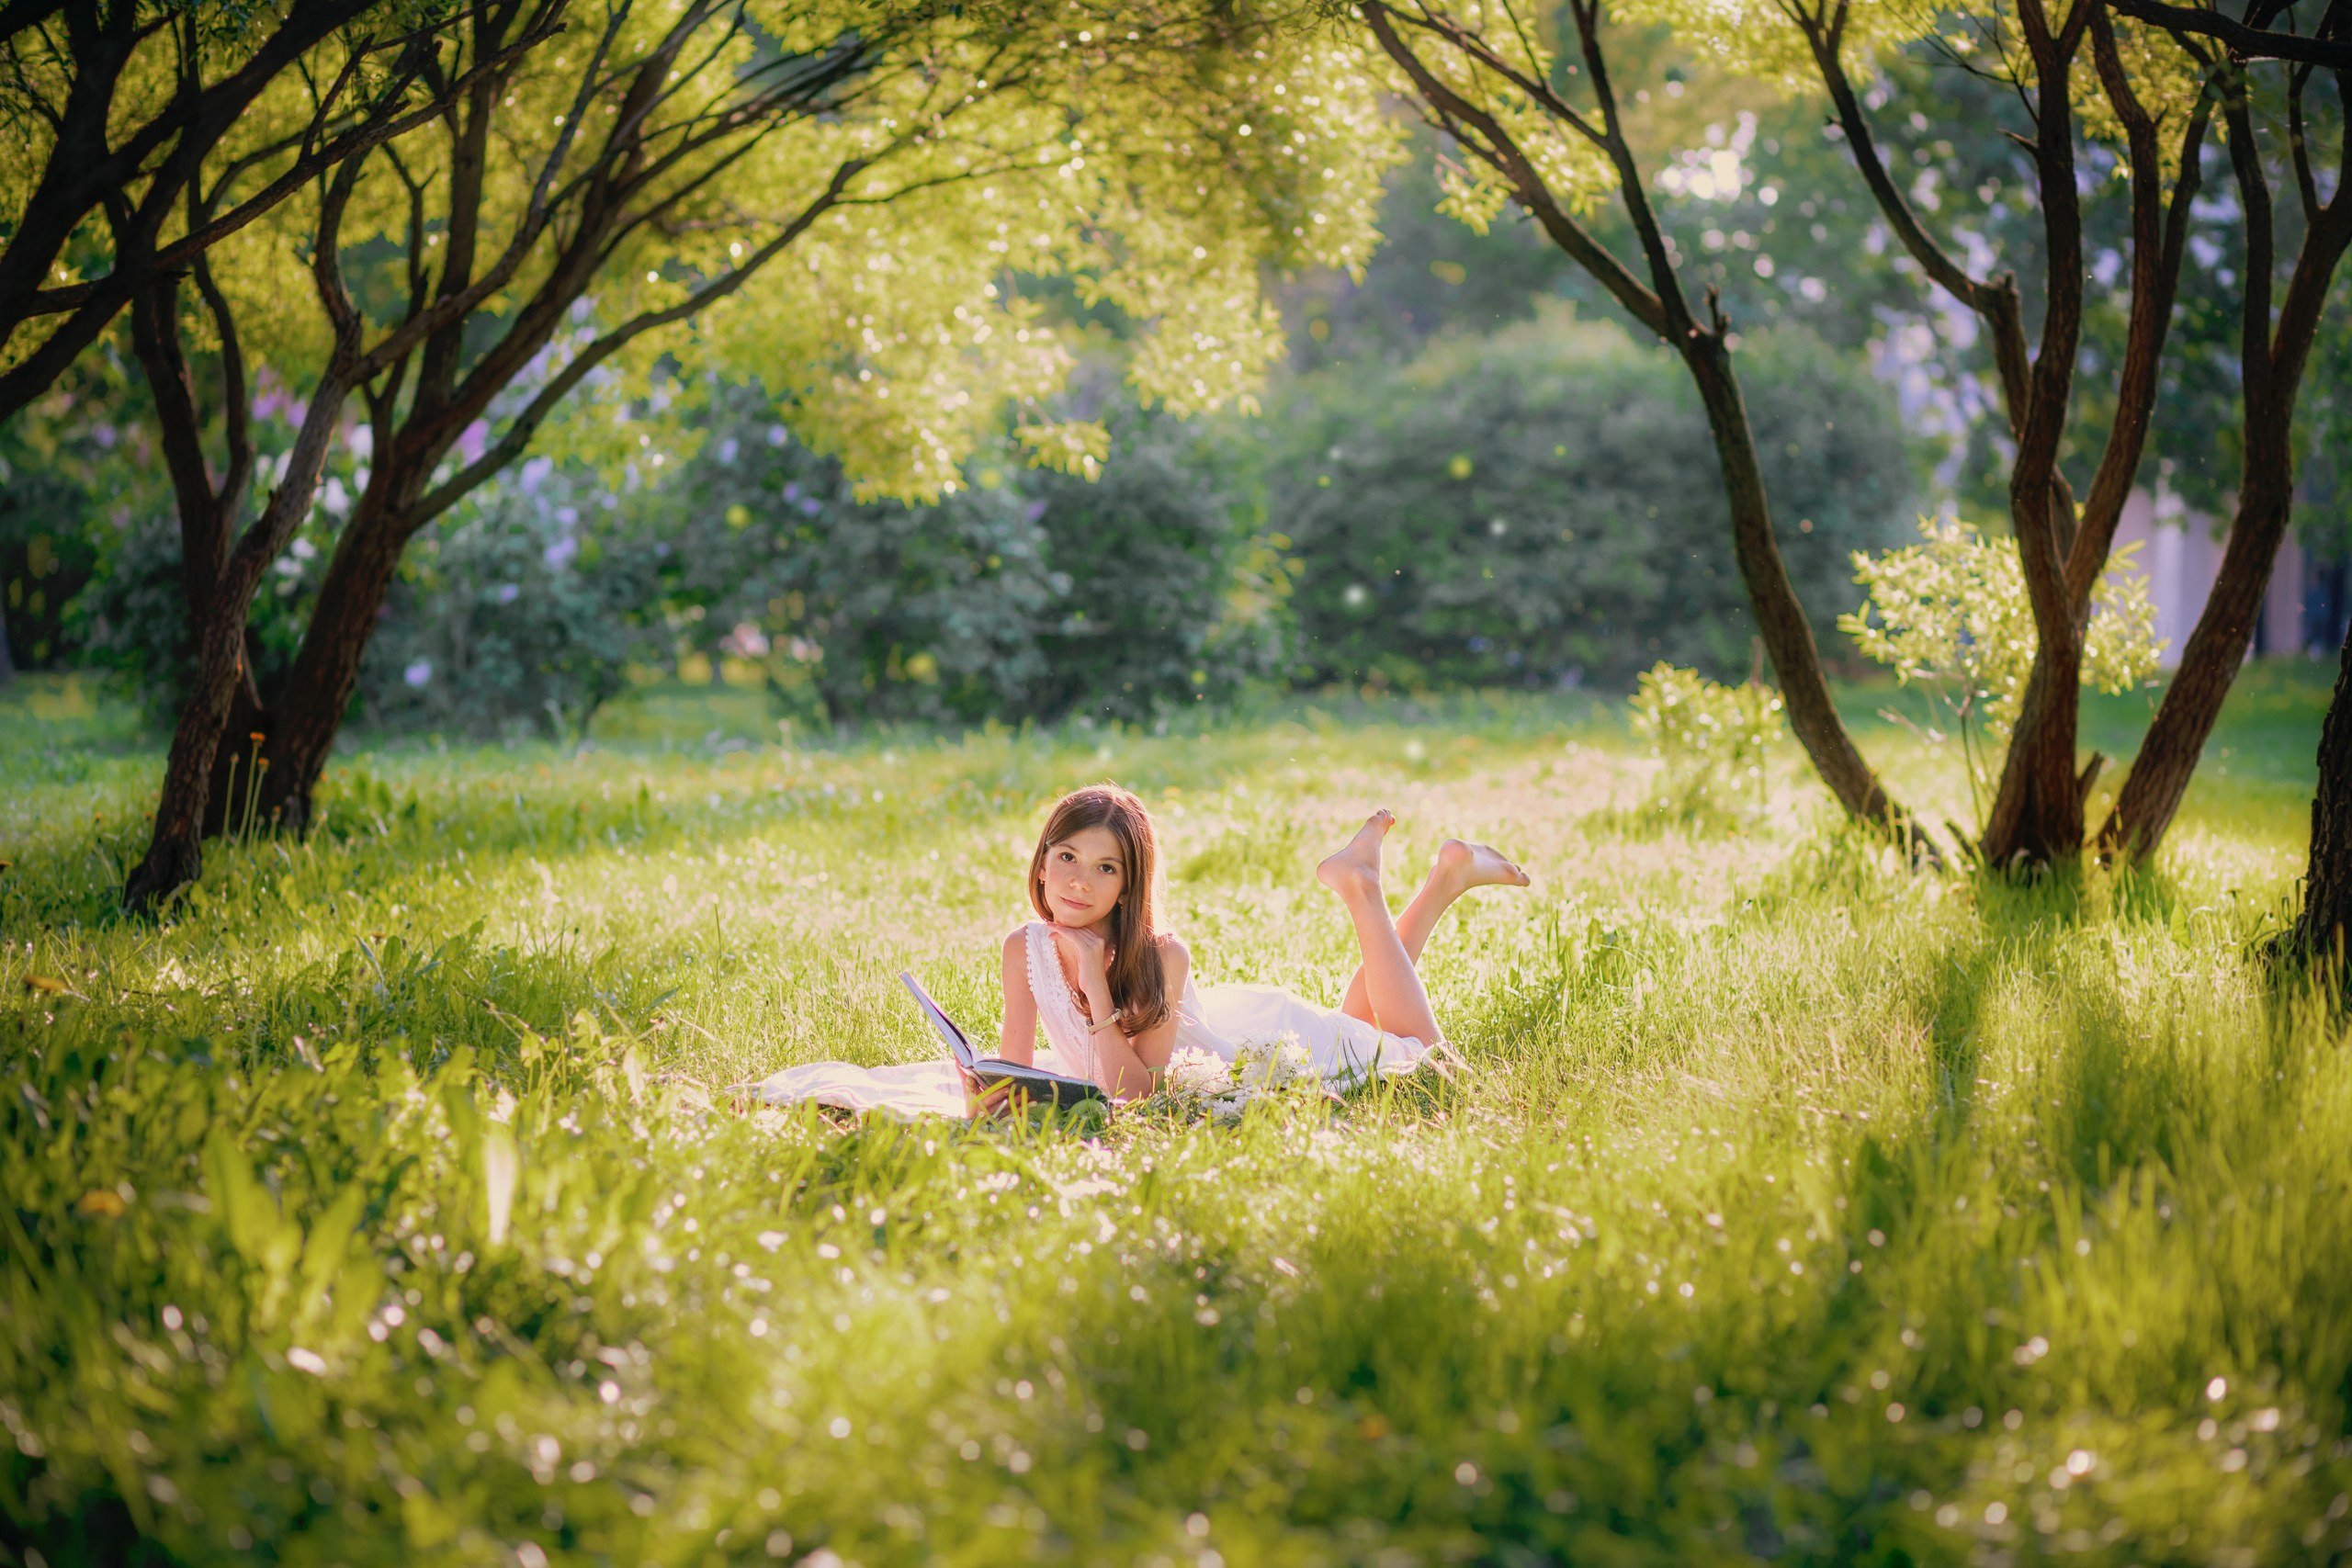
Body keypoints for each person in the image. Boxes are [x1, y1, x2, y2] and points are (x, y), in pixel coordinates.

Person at [754, 784, 1528, 1116]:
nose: (1077, 882)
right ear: (1040, 858)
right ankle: (1443, 879)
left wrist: (1093, 980)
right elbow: (1016, 1066)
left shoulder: (1163, 956)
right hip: (1230, 1035)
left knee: (1418, 1052)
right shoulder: (1022, 944)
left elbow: (1135, 1093)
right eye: (1065, 857)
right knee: (1372, 1029)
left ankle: (1363, 888)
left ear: (1129, 884)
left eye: (1104, 868)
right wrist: (987, 1086)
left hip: (1245, 1047)